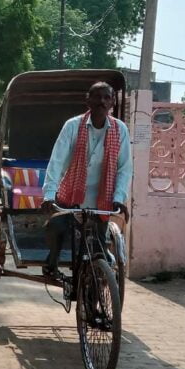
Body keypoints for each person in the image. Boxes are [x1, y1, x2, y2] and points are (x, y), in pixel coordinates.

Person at [40, 81, 133, 278]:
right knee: (55, 228)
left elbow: (125, 167)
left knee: (98, 244)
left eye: (106, 97)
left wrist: (119, 197)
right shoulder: (72, 126)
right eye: (97, 96)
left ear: (112, 103)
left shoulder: (120, 130)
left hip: (103, 198)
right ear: (87, 100)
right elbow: (56, 161)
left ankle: (95, 288)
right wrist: (49, 195)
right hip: (71, 195)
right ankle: (52, 261)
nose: (101, 101)